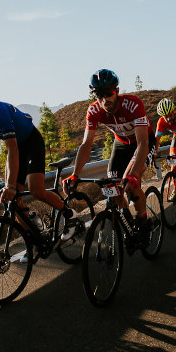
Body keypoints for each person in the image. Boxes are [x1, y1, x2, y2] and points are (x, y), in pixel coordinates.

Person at [0, 81, 76, 236]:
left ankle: (69, 214)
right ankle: (34, 237)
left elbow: (11, 148)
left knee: (36, 190)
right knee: (11, 201)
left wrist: (10, 186)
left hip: (31, 143)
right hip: (16, 149)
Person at [64, 69, 155, 237]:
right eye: (99, 94)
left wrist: (134, 173)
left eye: (108, 93)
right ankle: (127, 221)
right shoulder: (93, 111)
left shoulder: (133, 104)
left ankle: (144, 224)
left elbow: (143, 142)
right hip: (121, 144)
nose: (104, 99)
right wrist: (75, 174)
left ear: (117, 91)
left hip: (142, 142)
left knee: (132, 184)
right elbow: (86, 144)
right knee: (113, 187)